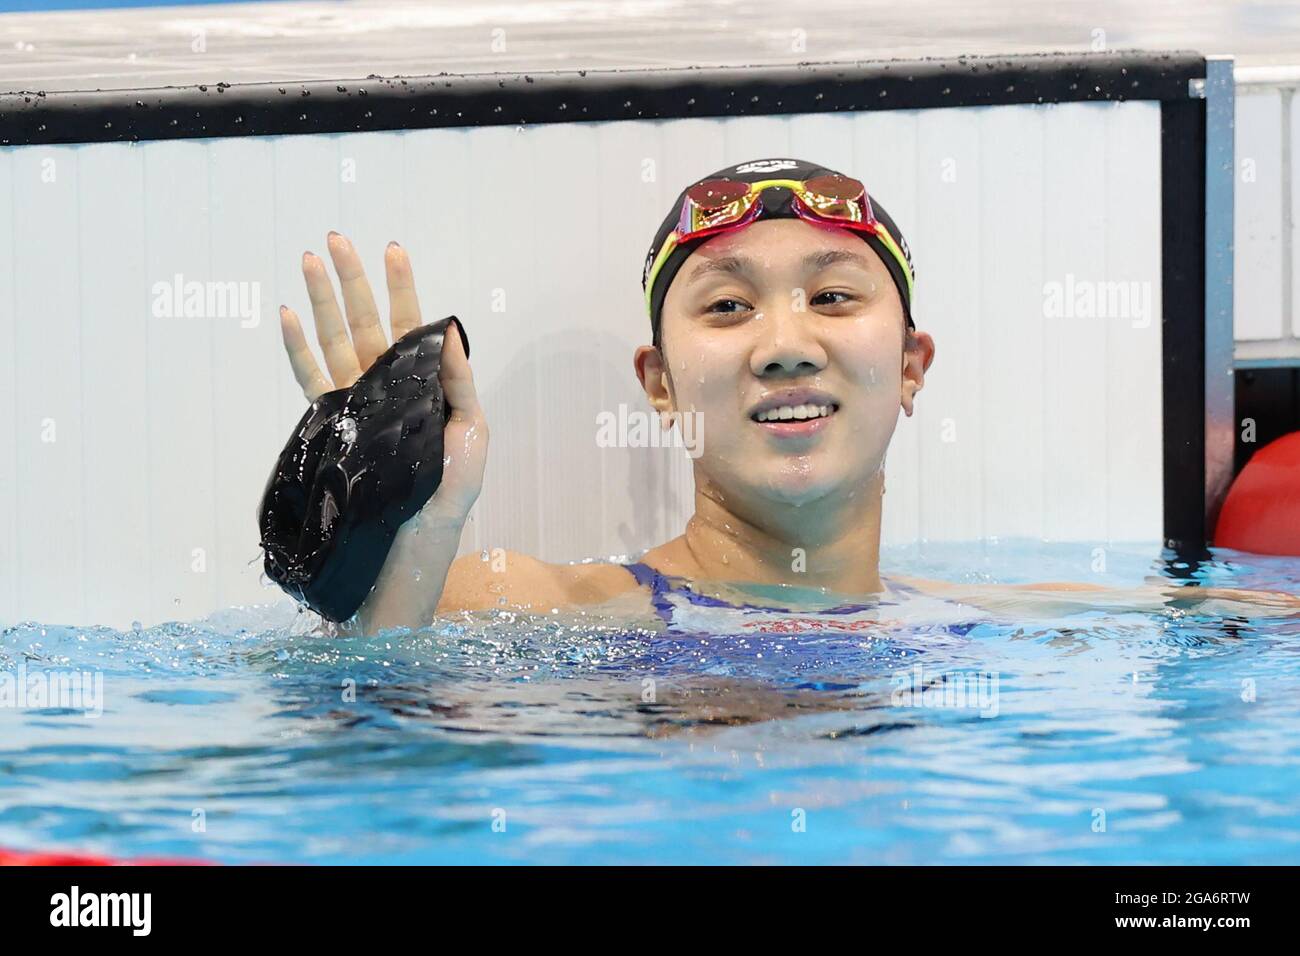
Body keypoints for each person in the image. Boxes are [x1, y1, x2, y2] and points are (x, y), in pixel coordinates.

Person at [277, 158, 1298, 633]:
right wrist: (411, 530)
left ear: (911, 366)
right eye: (727, 308)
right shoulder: (542, 608)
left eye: (833, 296)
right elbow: (366, 720)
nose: (784, 347)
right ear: (660, 387)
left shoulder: (1024, 620)